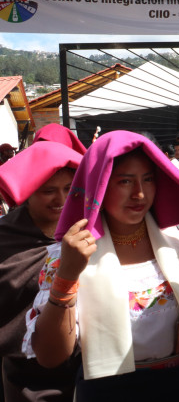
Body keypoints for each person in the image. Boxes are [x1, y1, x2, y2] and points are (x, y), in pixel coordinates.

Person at [23, 131, 179, 402]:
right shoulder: (71, 255)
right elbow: (50, 357)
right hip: (110, 391)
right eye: (125, 181)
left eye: (148, 179)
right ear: (99, 185)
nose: (140, 193)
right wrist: (67, 276)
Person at [0, 142, 82, 402]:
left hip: (88, 368)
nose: (61, 199)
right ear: (30, 191)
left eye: (69, 189)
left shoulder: (90, 230)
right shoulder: (5, 238)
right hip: (27, 376)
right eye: (49, 191)